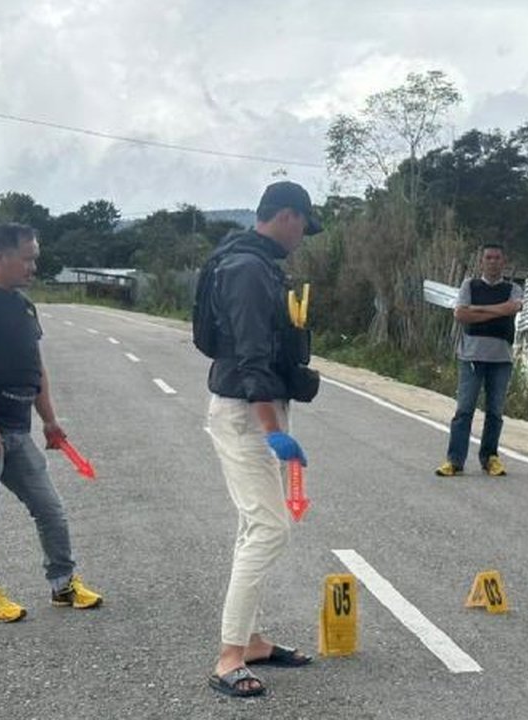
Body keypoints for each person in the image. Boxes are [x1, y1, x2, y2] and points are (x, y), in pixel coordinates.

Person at [0, 222, 103, 623]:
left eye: (35, 259)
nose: (33, 267)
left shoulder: (23, 305)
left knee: (49, 508)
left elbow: (35, 366)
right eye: (27, 259)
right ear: (0, 257)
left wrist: (49, 420)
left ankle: (63, 584)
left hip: (14, 428)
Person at [203, 181, 323, 697]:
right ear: (289, 216)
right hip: (248, 413)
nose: (302, 238)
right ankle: (229, 657)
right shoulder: (248, 270)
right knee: (271, 529)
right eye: (303, 227)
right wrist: (272, 429)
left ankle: (249, 640)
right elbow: (250, 353)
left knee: (253, 526)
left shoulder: (249, 261)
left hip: (259, 408)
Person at [435, 243, 524, 477]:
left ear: (504, 262)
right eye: (488, 257)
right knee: (464, 409)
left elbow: (513, 308)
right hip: (471, 356)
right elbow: (461, 314)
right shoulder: (469, 285)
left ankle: (490, 458)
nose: (492, 261)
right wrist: (498, 310)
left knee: (495, 412)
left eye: (497, 257)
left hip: (501, 359)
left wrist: (479, 310)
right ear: (481, 261)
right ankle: (454, 460)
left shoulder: (513, 288)